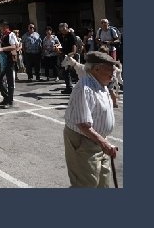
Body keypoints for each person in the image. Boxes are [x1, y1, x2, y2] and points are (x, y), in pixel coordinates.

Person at [63, 51, 120, 187]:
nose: (113, 72)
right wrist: (104, 142)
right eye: (110, 69)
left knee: (103, 184)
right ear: (97, 68)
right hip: (84, 142)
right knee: (85, 185)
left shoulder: (102, 84)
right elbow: (83, 124)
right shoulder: (85, 88)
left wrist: (105, 141)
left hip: (98, 141)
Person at [0, 21, 19, 107]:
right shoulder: (2, 36)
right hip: (2, 60)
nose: (1, 28)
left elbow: (14, 46)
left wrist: (2, 49)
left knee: (10, 80)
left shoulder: (11, 34)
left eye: (2, 27)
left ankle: (10, 101)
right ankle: (6, 97)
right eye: (0, 27)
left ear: (6, 27)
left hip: (9, 60)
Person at [58, 23, 81, 94]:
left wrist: (70, 55)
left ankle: (79, 87)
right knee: (66, 72)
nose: (62, 30)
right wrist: (59, 50)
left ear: (66, 28)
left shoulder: (71, 35)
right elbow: (64, 46)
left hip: (70, 57)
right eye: (61, 29)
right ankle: (69, 88)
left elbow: (74, 48)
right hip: (65, 56)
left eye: (63, 29)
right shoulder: (63, 35)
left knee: (75, 72)